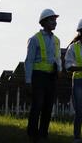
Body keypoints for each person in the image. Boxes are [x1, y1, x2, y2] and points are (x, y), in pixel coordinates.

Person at [25, 8, 62, 143]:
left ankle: (43, 135)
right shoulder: (34, 39)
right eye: (52, 20)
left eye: (55, 20)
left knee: (48, 106)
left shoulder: (57, 40)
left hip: (52, 77)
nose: (55, 23)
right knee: (38, 105)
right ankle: (32, 134)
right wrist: (28, 81)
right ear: (44, 22)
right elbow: (28, 61)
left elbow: (58, 58)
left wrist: (59, 70)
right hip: (38, 76)